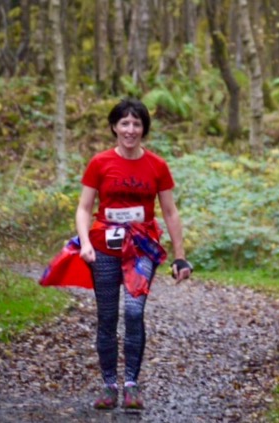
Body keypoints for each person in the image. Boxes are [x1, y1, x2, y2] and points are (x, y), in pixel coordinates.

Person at [75, 97, 192, 411]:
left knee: (135, 312)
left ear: (144, 129)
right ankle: (109, 386)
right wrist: (85, 242)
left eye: (136, 124)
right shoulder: (99, 163)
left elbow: (170, 211)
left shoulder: (157, 165)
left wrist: (180, 256)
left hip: (142, 246)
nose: (130, 129)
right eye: (124, 123)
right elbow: (84, 207)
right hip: (104, 247)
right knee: (108, 317)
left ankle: (131, 385)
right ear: (114, 127)